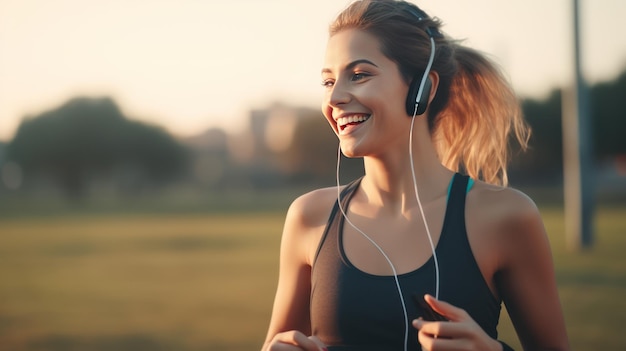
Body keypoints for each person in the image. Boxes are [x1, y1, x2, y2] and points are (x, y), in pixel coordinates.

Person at [261, 0, 569, 350]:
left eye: (359, 75)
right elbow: (277, 344)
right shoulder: (309, 217)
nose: (335, 97)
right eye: (328, 81)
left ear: (424, 88)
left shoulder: (506, 217)